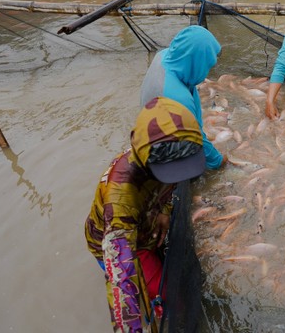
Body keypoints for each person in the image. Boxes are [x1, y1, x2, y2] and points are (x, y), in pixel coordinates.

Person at [84, 97, 212, 332]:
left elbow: (173, 183)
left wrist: (164, 212)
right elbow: (121, 279)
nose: (176, 176)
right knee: (160, 297)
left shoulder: (166, 158)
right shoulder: (120, 197)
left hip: (147, 223)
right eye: (169, 173)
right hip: (119, 242)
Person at [141, 25, 227, 168]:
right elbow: (198, 142)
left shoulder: (163, 55)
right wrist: (219, 161)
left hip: (150, 120)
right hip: (162, 146)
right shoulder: (179, 100)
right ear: (198, 62)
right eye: (207, 65)